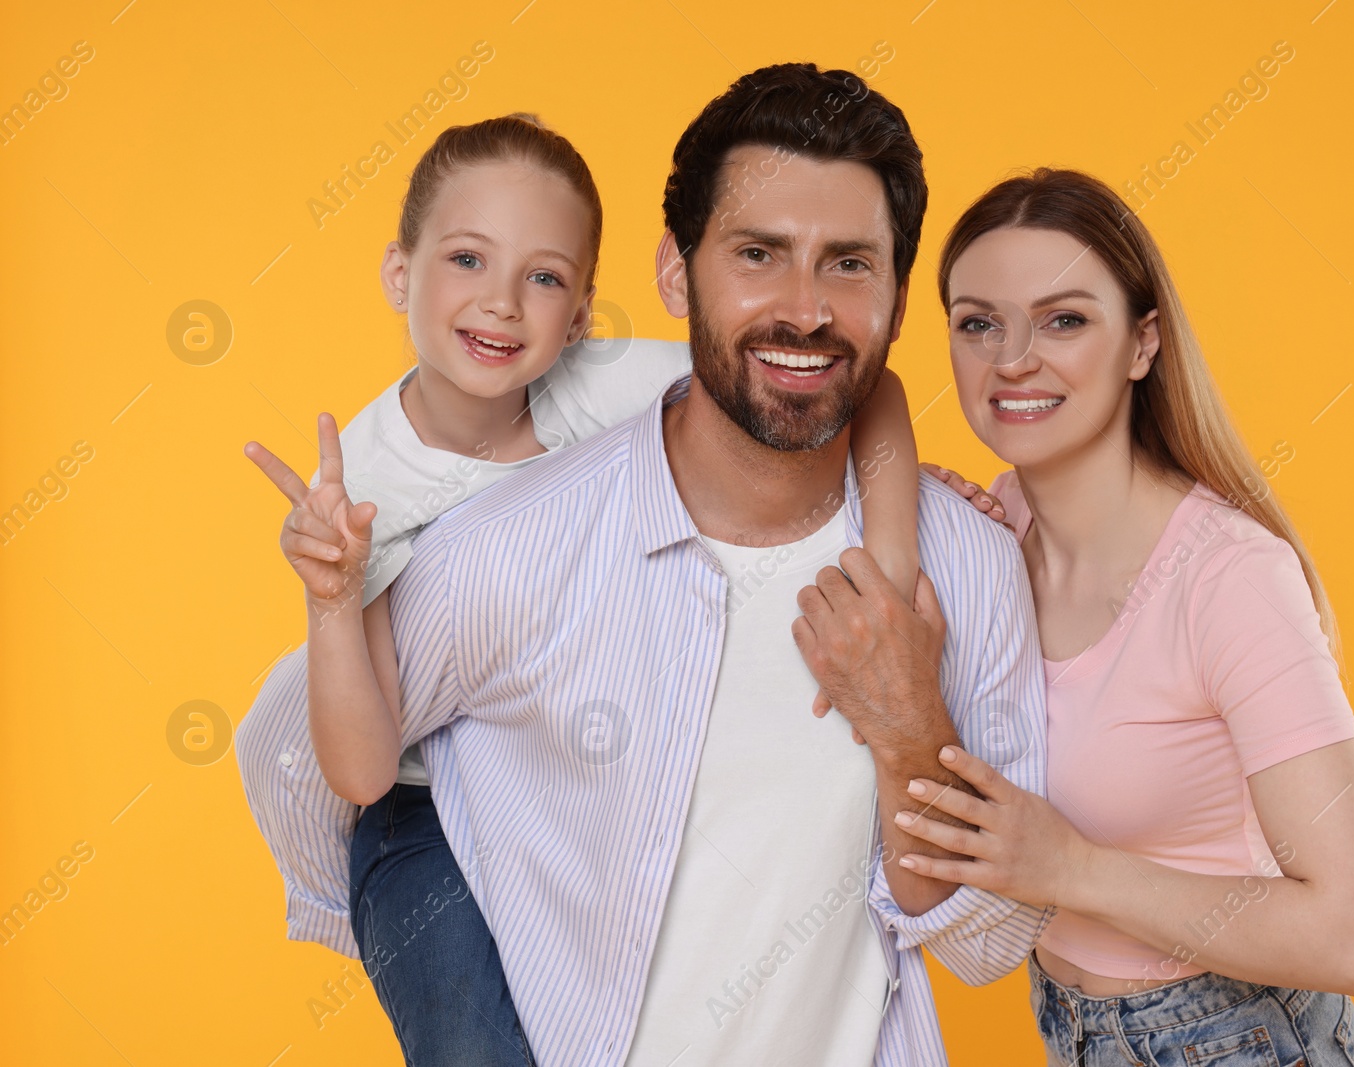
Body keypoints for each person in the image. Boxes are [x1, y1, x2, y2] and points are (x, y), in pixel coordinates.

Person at [262, 62, 1054, 1066]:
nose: (804, 308)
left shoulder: (971, 570)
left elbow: (991, 942)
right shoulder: (499, 547)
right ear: (676, 272)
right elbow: (321, 773)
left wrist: (908, 734)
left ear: (899, 298)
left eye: (849, 263)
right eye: (758, 253)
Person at [880, 168, 1354, 1065]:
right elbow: (862, 406)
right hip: (1073, 1031)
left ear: (1142, 343)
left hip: (1243, 1039)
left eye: (1065, 319)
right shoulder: (979, 544)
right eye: (978, 322)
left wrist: (1071, 868)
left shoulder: (1227, 579)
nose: (1012, 358)